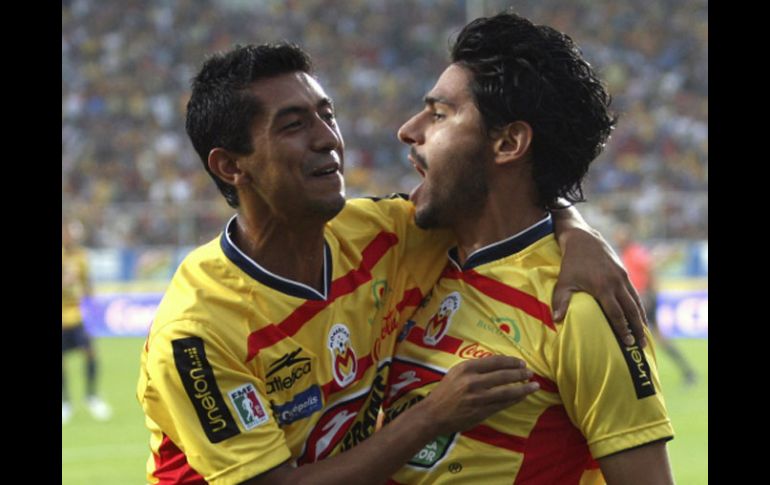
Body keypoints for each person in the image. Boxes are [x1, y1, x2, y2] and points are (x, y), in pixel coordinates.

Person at [137, 42, 648, 485]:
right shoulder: (198, 333)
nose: (328, 139)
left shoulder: (382, 235)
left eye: (327, 114)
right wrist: (432, 417)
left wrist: (578, 231)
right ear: (231, 165)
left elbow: (500, 194)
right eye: (294, 125)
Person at [383, 11, 674, 484]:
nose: (409, 130)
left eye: (439, 114)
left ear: (509, 143)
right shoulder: (400, 252)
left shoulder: (578, 307)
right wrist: (572, 221)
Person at [614, 223, 697, 386]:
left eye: (620, 235)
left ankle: (638, 379)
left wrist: (650, 293)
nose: (617, 238)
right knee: (658, 339)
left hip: (642, 300)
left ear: (626, 238)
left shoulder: (634, 253)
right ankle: (688, 372)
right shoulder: (627, 253)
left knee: (630, 338)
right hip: (641, 299)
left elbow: (650, 267)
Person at [62, 219, 112, 424]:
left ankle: (92, 397)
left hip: (77, 316)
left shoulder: (81, 257)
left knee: (91, 353)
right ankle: (65, 402)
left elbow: (87, 284)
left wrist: (91, 303)